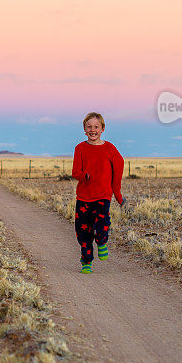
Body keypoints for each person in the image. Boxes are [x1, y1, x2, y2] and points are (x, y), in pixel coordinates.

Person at [71, 112, 126, 273]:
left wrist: (117, 194)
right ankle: (86, 261)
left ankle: (102, 242)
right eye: (89, 127)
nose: (92, 130)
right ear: (84, 129)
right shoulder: (80, 148)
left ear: (102, 129)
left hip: (103, 195)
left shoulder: (109, 148)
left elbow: (119, 167)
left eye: (96, 127)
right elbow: (75, 172)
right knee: (83, 231)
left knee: (101, 224)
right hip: (84, 197)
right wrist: (84, 175)